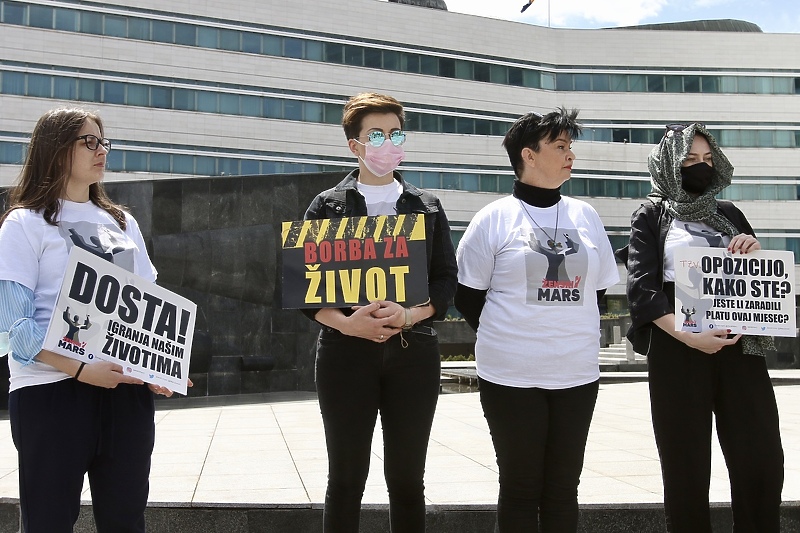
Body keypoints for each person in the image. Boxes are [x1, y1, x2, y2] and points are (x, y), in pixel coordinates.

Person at [0, 108, 177, 532]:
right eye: (89, 142)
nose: (102, 151)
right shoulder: (24, 224)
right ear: (56, 149)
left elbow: (150, 307)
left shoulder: (122, 222)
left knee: (126, 520)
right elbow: (14, 328)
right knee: (48, 521)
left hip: (124, 394)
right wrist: (81, 369)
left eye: (104, 142)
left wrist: (163, 365)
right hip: (50, 393)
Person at [454, 108, 619, 532]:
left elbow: (596, 291)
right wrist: (514, 336)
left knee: (564, 488)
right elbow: (468, 297)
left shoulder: (586, 216)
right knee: (521, 488)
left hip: (576, 374)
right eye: (560, 146)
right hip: (510, 376)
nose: (570, 155)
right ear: (528, 154)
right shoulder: (493, 218)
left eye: (571, 146)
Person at [301, 92, 458, 532]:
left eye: (395, 133)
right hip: (344, 353)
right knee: (347, 479)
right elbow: (304, 287)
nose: (387, 142)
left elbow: (447, 278)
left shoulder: (426, 206)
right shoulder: (326, 206)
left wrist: (411, 315)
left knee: (407, 480)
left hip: (413, 352)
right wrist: (348, 323)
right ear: (355, 145)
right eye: (376, 134)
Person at [622, 123, 784, 532]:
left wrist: (753, 250)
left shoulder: (728, 213)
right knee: (685, 466)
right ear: (669, 164)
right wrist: (688, 335)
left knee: (761, 458)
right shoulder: (651, 215)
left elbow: (756, 279)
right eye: (689, 160)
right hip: (678, 348)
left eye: (708, 159)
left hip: (740, 348)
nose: (700, 167)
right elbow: (642, 289)